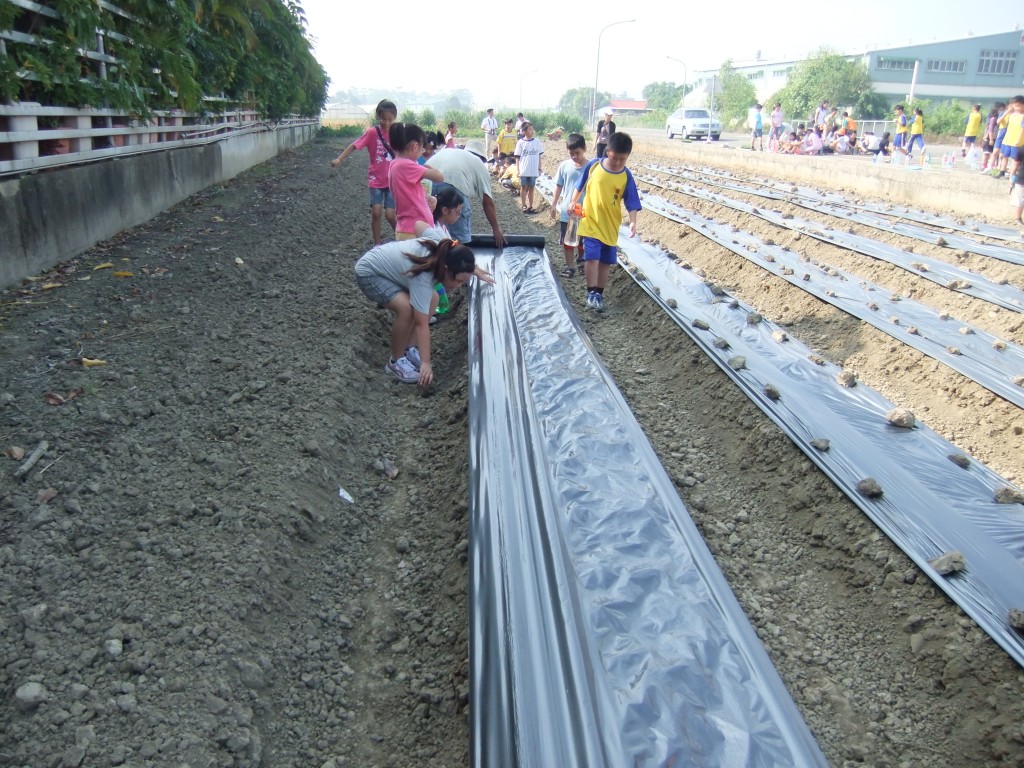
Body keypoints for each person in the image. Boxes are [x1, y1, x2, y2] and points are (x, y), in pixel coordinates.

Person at [354, 233, 493, 386]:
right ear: (446, 270)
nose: (458, 285)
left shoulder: (444, 252)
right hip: (369, 273)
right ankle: (395, 362)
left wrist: (474, 270)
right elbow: (421, 325)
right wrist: (426, 363)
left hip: (388, 270)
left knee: (434, 299)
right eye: (459, 280)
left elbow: (423, 227)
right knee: (406, 309)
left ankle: (409, 349)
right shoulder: (424, 276)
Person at [568, 131, 642, 312]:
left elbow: (631, 201)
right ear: (608, 151)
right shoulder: (594, 166)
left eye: (622, 159)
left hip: (611, 225)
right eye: (614, 158)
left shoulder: (626, 176)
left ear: (628, 156)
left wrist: (633, 221)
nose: (617, 162)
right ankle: (591, 292)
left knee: (606, 261)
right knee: (592, 257)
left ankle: (599, 293)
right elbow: (580, 186)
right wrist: (573, 202)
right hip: (591, 222)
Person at [331, 98, 398, 246]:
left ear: (394, 118)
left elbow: (407, 150)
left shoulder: (397, 133)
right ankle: (377, 244)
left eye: (390, 119)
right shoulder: (372, 133)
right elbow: (354, 145)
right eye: (383, 119)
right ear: (378, 117)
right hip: (376, 180)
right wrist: (339, 159)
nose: (386, 122)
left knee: (390, 215)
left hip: (392, 181)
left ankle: (403, 238)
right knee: (376, 212)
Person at [426, 140, 507, 247]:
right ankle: (457, 253)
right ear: (481, 158)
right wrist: (496, 229)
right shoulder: (478, 163)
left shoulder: (450, 151)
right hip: (454, 185)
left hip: (427, 183)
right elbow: (487, 202)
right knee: (458, 238)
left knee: (432, 230)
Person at [388, 122, 445, 240]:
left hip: (406, 228)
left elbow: (410, 195)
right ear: (415, 146)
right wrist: (424, 166)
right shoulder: (406, 165)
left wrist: (428, 199)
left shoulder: (395, 163)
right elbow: (439, 177)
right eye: (422, 148)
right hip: (414, 230)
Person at [549, 132, 588, 278]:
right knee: (568, 241)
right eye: (571, 154)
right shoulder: (564, 166)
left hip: (585, 212)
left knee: (583, 240)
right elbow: (559, 186)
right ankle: (570, 266)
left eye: (577, 153)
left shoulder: (590, 167)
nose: (574, 156)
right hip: (568, 211)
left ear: (584, 149)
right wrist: (554, 204)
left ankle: (582, 260)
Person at [514, 120, 543, 214]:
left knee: (531, 188)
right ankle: (524, 205)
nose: (532, 131)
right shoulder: (520, 143)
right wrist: (518, 169)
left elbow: (539, 156)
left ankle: (530, 206)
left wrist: (539, 168)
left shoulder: (537, 142)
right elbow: (517, 157)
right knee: (523, 187)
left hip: (533, 170)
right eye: (530, 129)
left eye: (532, 129)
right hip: (524, 169)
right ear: (524, 131)